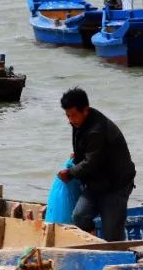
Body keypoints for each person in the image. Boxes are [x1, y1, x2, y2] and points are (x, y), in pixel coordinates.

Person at [57, 88, 136, 241]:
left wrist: (70, 173)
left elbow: (91, 162)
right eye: (67, 115)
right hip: (96, 182)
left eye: (73, 115)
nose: (70, 120)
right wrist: (77, 157)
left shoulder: (97, 129)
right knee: (79, 216)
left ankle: (116, 255)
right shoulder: (80, 123)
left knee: (112, 235)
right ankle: (94, 241)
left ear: (85, 110)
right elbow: (89, 153)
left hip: (116, 184)